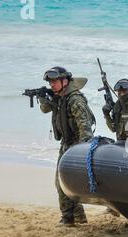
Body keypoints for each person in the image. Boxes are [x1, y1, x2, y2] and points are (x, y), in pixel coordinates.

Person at [38, 66, 95, 226]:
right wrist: (43, 97)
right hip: (67, 143)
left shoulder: (75, 100)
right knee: (61, 183)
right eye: (50, 83)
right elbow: (45, 109)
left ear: (65, 81)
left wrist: (82, 153)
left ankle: (68, 218)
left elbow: (86, 130)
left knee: (63, 182)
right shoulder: (59, 97)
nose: (52, 85)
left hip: (76, 145)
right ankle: (77, 217)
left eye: (54, 82)